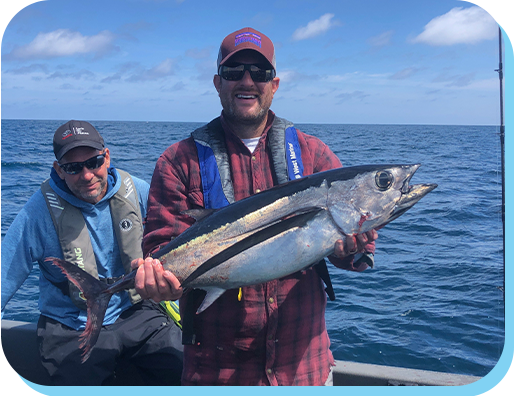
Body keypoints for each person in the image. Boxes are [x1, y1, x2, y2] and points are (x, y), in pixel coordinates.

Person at [131, 27, 378, 386]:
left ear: (274, 84)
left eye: (259, 73)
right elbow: (159, 249)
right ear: (217, 83)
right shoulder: (178, 161)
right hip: (216, 374)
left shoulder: (314, 154)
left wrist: (351, 248)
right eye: (234, 72)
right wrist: (160, 282)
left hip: (303, 368)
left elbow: (358, 254)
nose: (247, 81)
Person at [1, 120, 183, 386]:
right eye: (73, 168)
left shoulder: (138, 191)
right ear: (58, 170)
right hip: (70, 324)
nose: (86, 175)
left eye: (94, 162)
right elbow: (6, 272)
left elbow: (175, 237)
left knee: (188, 370)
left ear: (107, 157)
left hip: (135, 312)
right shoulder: (36, 213)